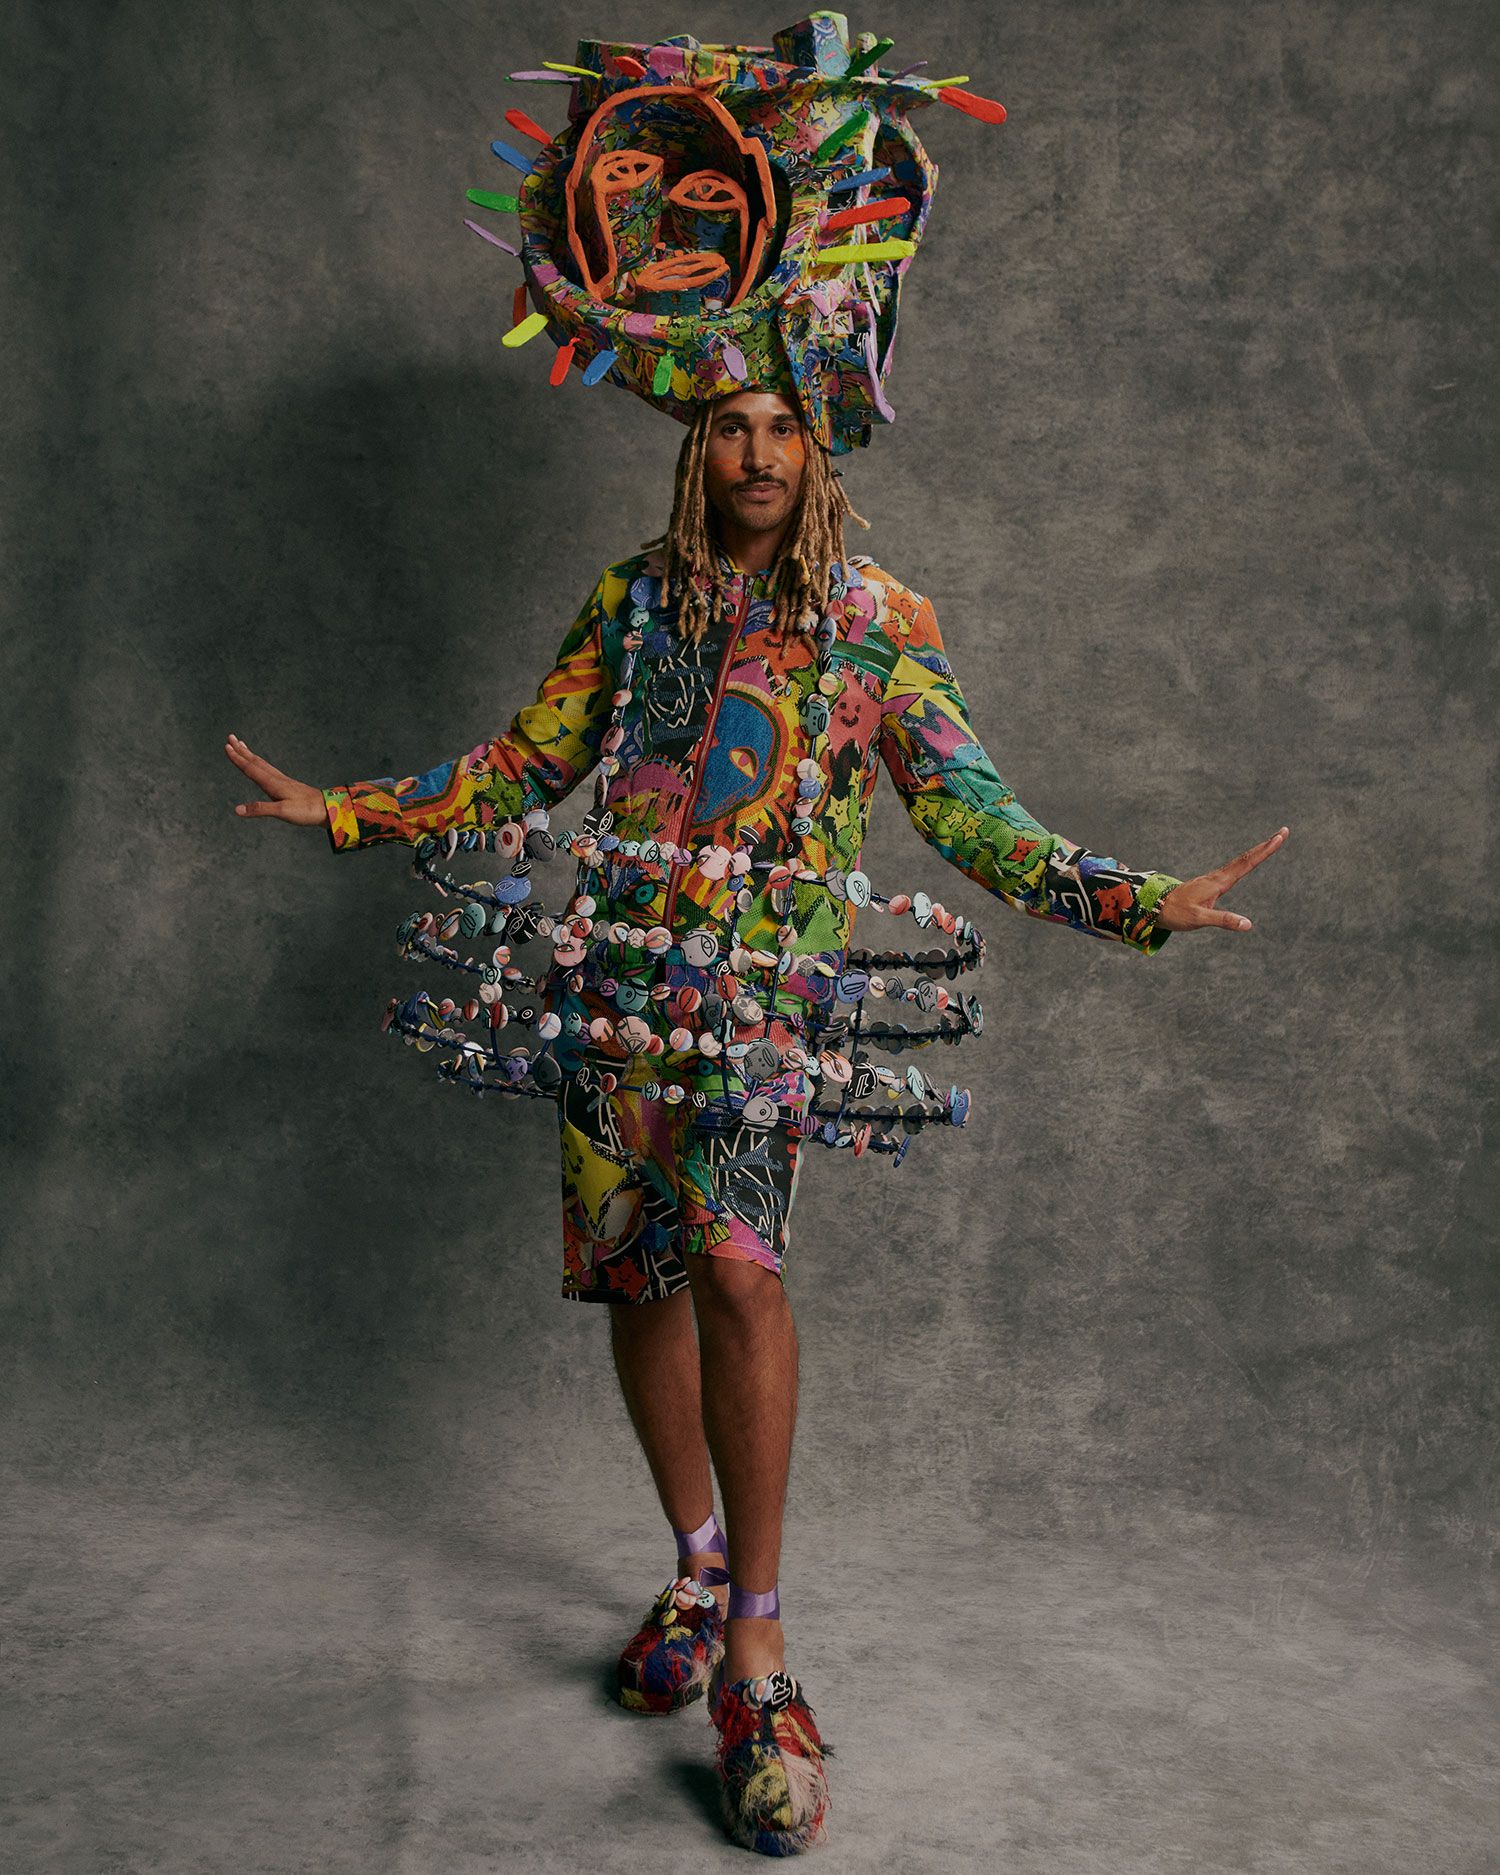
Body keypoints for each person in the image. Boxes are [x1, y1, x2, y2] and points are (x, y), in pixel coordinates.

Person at [225, 388, 1288, 1854]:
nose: (761, 455)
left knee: (736, 1270)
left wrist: (1132, 900)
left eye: (786, 427)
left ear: (824, 445)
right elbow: (525, 763)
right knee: (637, 1271)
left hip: (751, 1015)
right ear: (693, 446)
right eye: (732, 425)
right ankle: (696, 1563)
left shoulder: (876, 619)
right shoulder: (633, 598)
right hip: (611, 1000)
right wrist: (344, 809)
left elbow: (976, 814)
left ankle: (759, 1658)